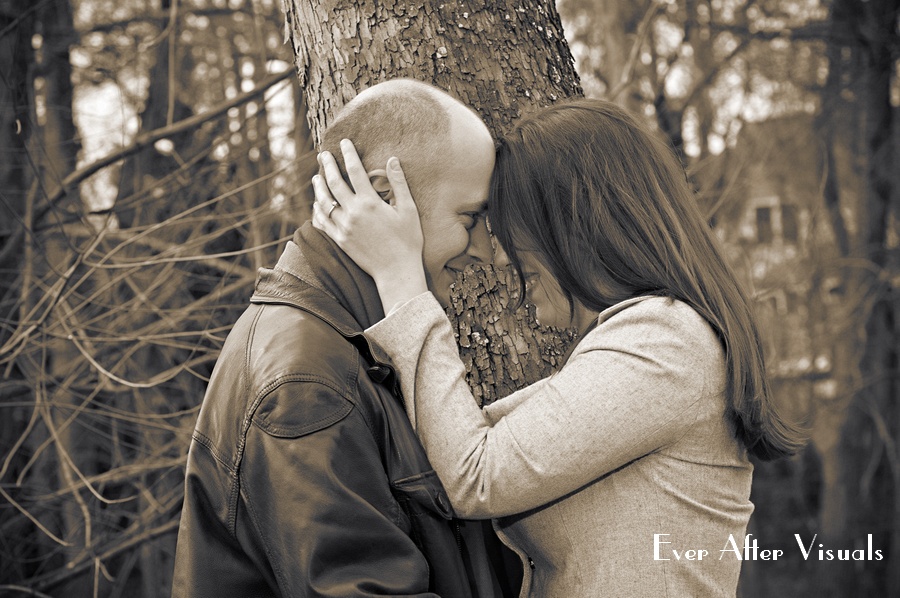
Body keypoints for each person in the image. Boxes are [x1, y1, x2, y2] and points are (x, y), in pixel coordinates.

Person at [312, 98, 804, 597]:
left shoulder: (665, 341)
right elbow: (475, 435)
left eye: (508, 228)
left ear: (572, 223)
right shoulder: (640, 341)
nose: (496, 255)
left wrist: (400, 277)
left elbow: (476, 474)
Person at [172, 79, 521, 597]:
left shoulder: (347, 341)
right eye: (470, 218)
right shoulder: (305, 384)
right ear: (382, 199)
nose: (487, 252)